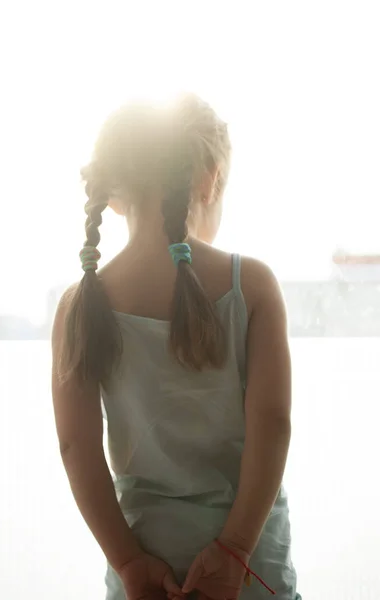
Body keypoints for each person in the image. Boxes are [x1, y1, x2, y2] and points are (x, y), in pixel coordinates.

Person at [51, 93, 301, 600]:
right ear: (209, 177)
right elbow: (272, 424)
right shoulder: (251, 286)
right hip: (249, 569)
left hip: (144, 568)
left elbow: (76, 448)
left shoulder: (80, 303)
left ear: (114, 194)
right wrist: (233, 550)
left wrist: (127, 560)